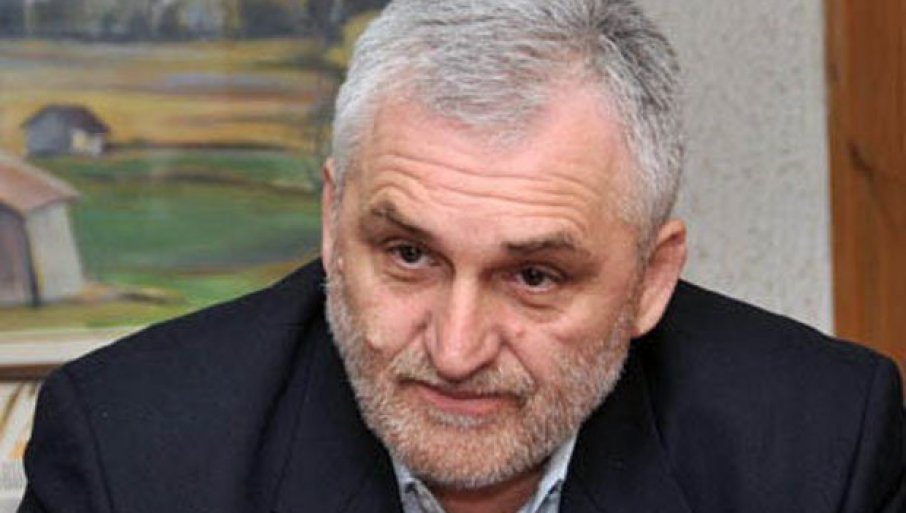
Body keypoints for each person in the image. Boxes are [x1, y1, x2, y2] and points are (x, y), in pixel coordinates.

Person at [18, 1, 906, 512]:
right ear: (332, 222)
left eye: (535, 276)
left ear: (650, 279)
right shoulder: (130, 456)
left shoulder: (820, 449)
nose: (455, 348)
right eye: (408, 254)